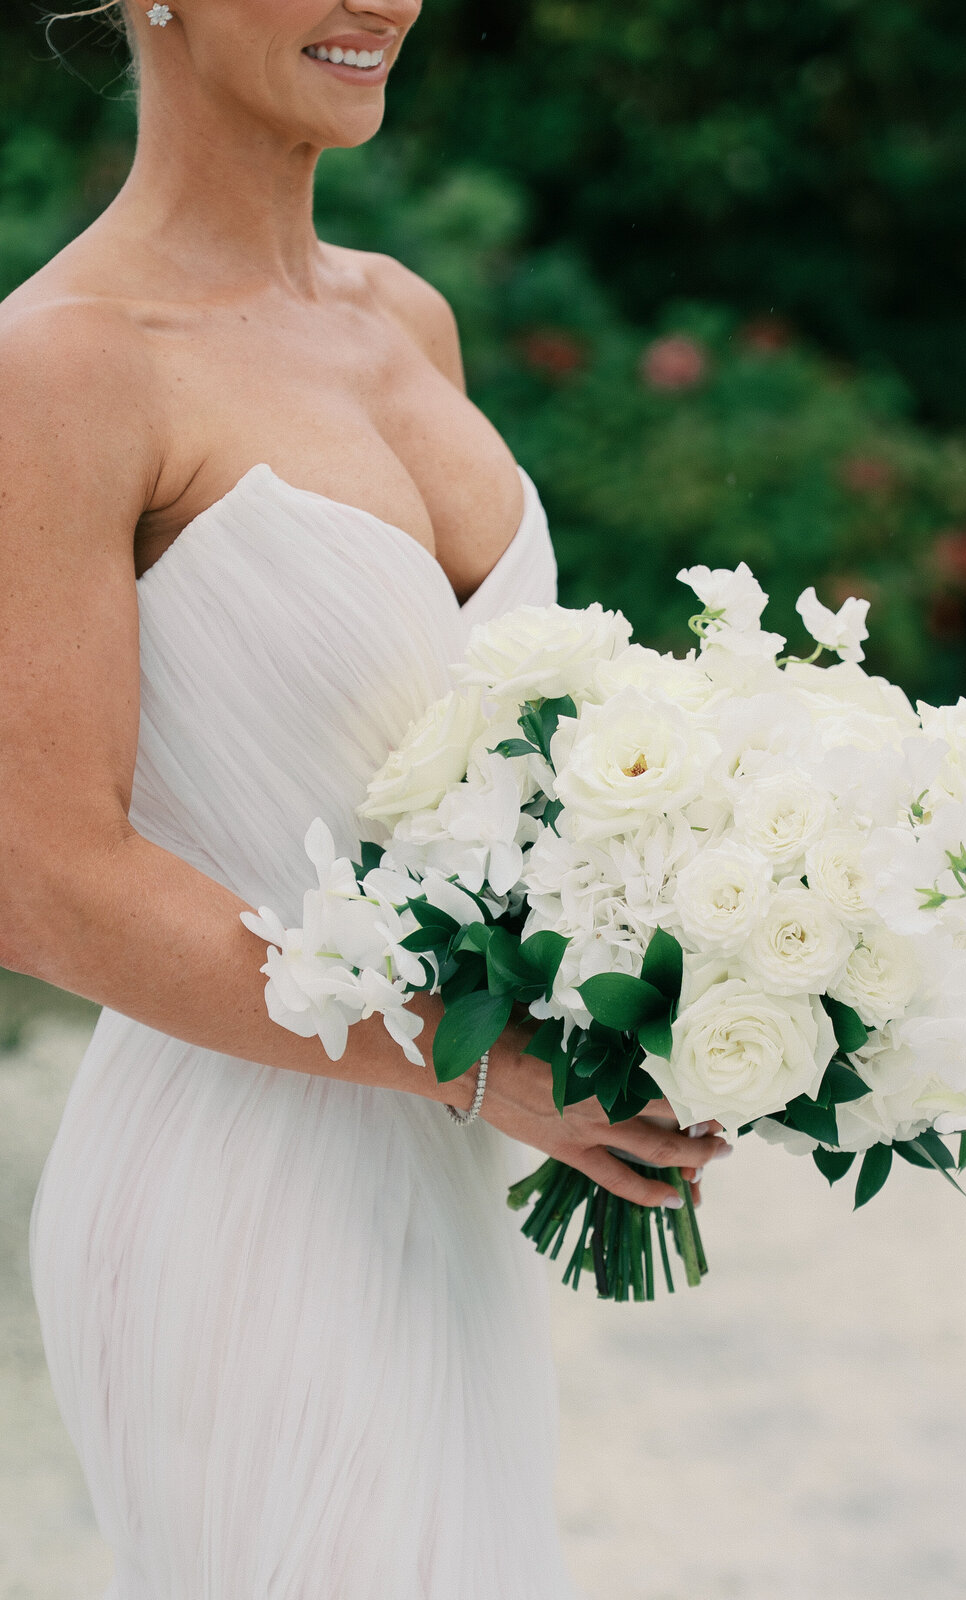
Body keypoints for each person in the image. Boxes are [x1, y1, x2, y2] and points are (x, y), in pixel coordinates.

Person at [0, 3, 728, 1594]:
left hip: (439, 1182)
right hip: (230, 1192)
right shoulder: (58, 366)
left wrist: (694, 967)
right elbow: (43, 879)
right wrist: (483, 1069)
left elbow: (485, 773)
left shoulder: (408, 319)